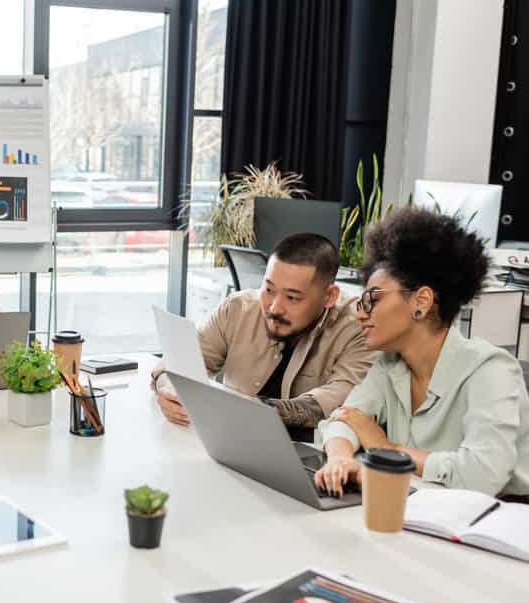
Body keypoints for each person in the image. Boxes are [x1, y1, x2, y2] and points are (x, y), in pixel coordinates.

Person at [315, 208, 529, 499]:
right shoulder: (390, 365)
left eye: (373, 299)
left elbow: (483, 474)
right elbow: (345, 420)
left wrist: (388, 451)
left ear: (422, 301)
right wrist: (340, 457)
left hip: (500, 522)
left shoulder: (491, 370)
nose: (359, 313)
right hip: (422, 508)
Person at [152, 233, 374, 438]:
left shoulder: (360, 327)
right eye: (269, 290)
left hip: (311, 455)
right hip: (229, 442)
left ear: (329, 296)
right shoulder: (239, 308)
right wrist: (168, 390)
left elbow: (335, 404)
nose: (275, 308)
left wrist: (234, 406)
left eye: (293, 297)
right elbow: (177, 361)